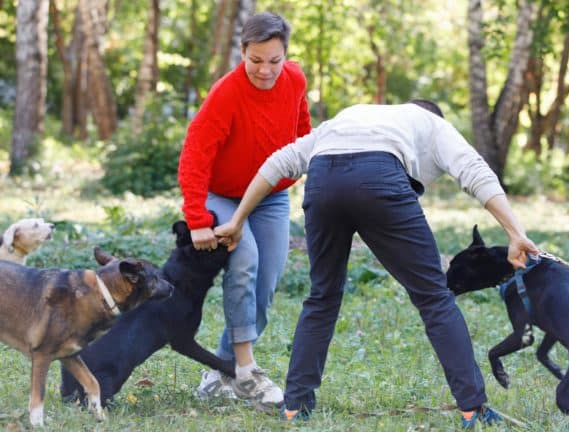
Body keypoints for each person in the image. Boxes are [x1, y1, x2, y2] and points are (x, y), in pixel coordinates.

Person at [213, 100, 539, 427]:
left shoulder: (352, 116)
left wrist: (238, 219)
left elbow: (278, 162)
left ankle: (295, 406)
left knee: (322, 297)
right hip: (379, 176)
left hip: (323, 179)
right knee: (434, 297)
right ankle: (474, 409)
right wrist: (515, 232)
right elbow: (475, 171)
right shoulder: (432, 123)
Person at [177, 11, 311, 408]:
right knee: (245, 260)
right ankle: (247, 372)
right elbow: (195, 155)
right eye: (256, 61)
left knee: (266, 284)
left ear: (286, 54)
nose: (266, 70)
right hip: (222, 195)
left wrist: (305, 164)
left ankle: (221, 373)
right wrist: (198, 219)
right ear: (242, 52)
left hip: (269, 196)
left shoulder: (296, 78)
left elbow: (302, 125)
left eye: (275, 60)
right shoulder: (227, 92)